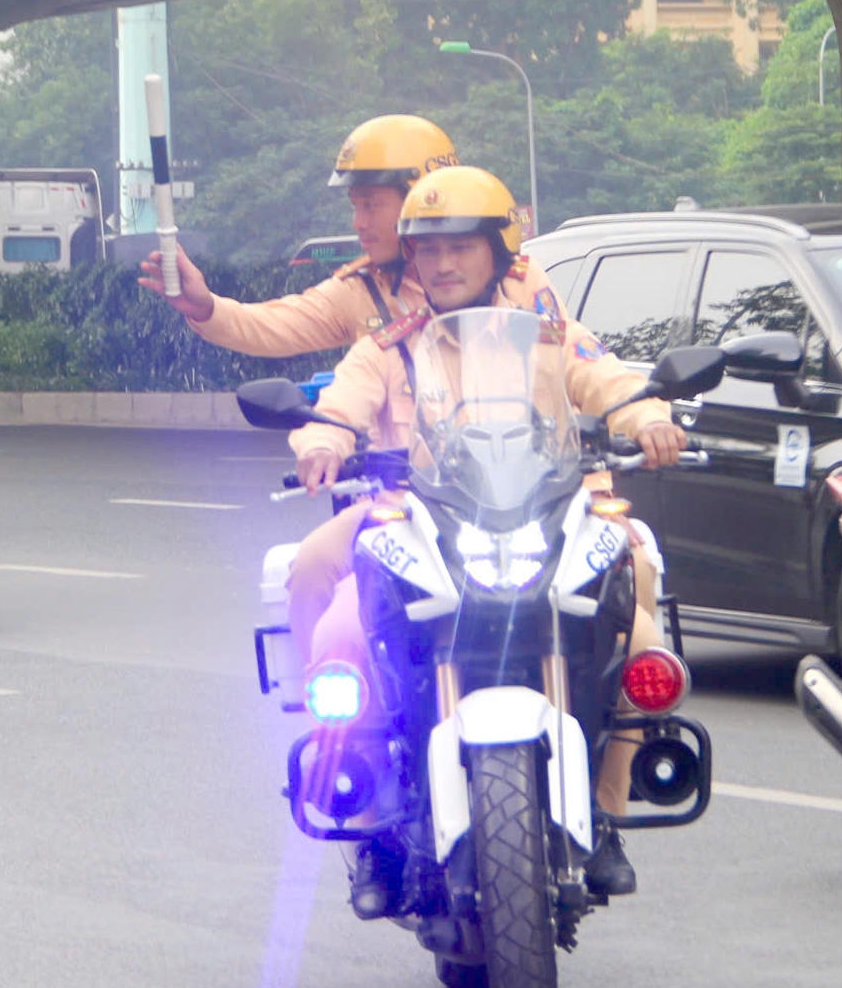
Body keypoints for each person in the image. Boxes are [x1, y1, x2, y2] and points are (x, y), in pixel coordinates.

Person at [288, 167, 686, 904]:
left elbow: (609, 381)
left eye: (461, 248)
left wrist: (650, 420)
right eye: (427, 251)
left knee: (635, 625)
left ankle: (607, 813)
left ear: (500, 252)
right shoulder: (391, 344)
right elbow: (345, 398)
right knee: (335, 619)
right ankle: (373, 822)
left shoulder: (548, 336)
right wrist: (324, 440)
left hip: (536, 509)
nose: (441, 265)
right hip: (412, 512)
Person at [135, 113, 457, 354]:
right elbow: (272, 326)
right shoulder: (359, 292)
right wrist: (205, 307)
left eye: (371, 205)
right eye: (355, 206)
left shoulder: (501, 285)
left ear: (421, 202)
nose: (358, 222)